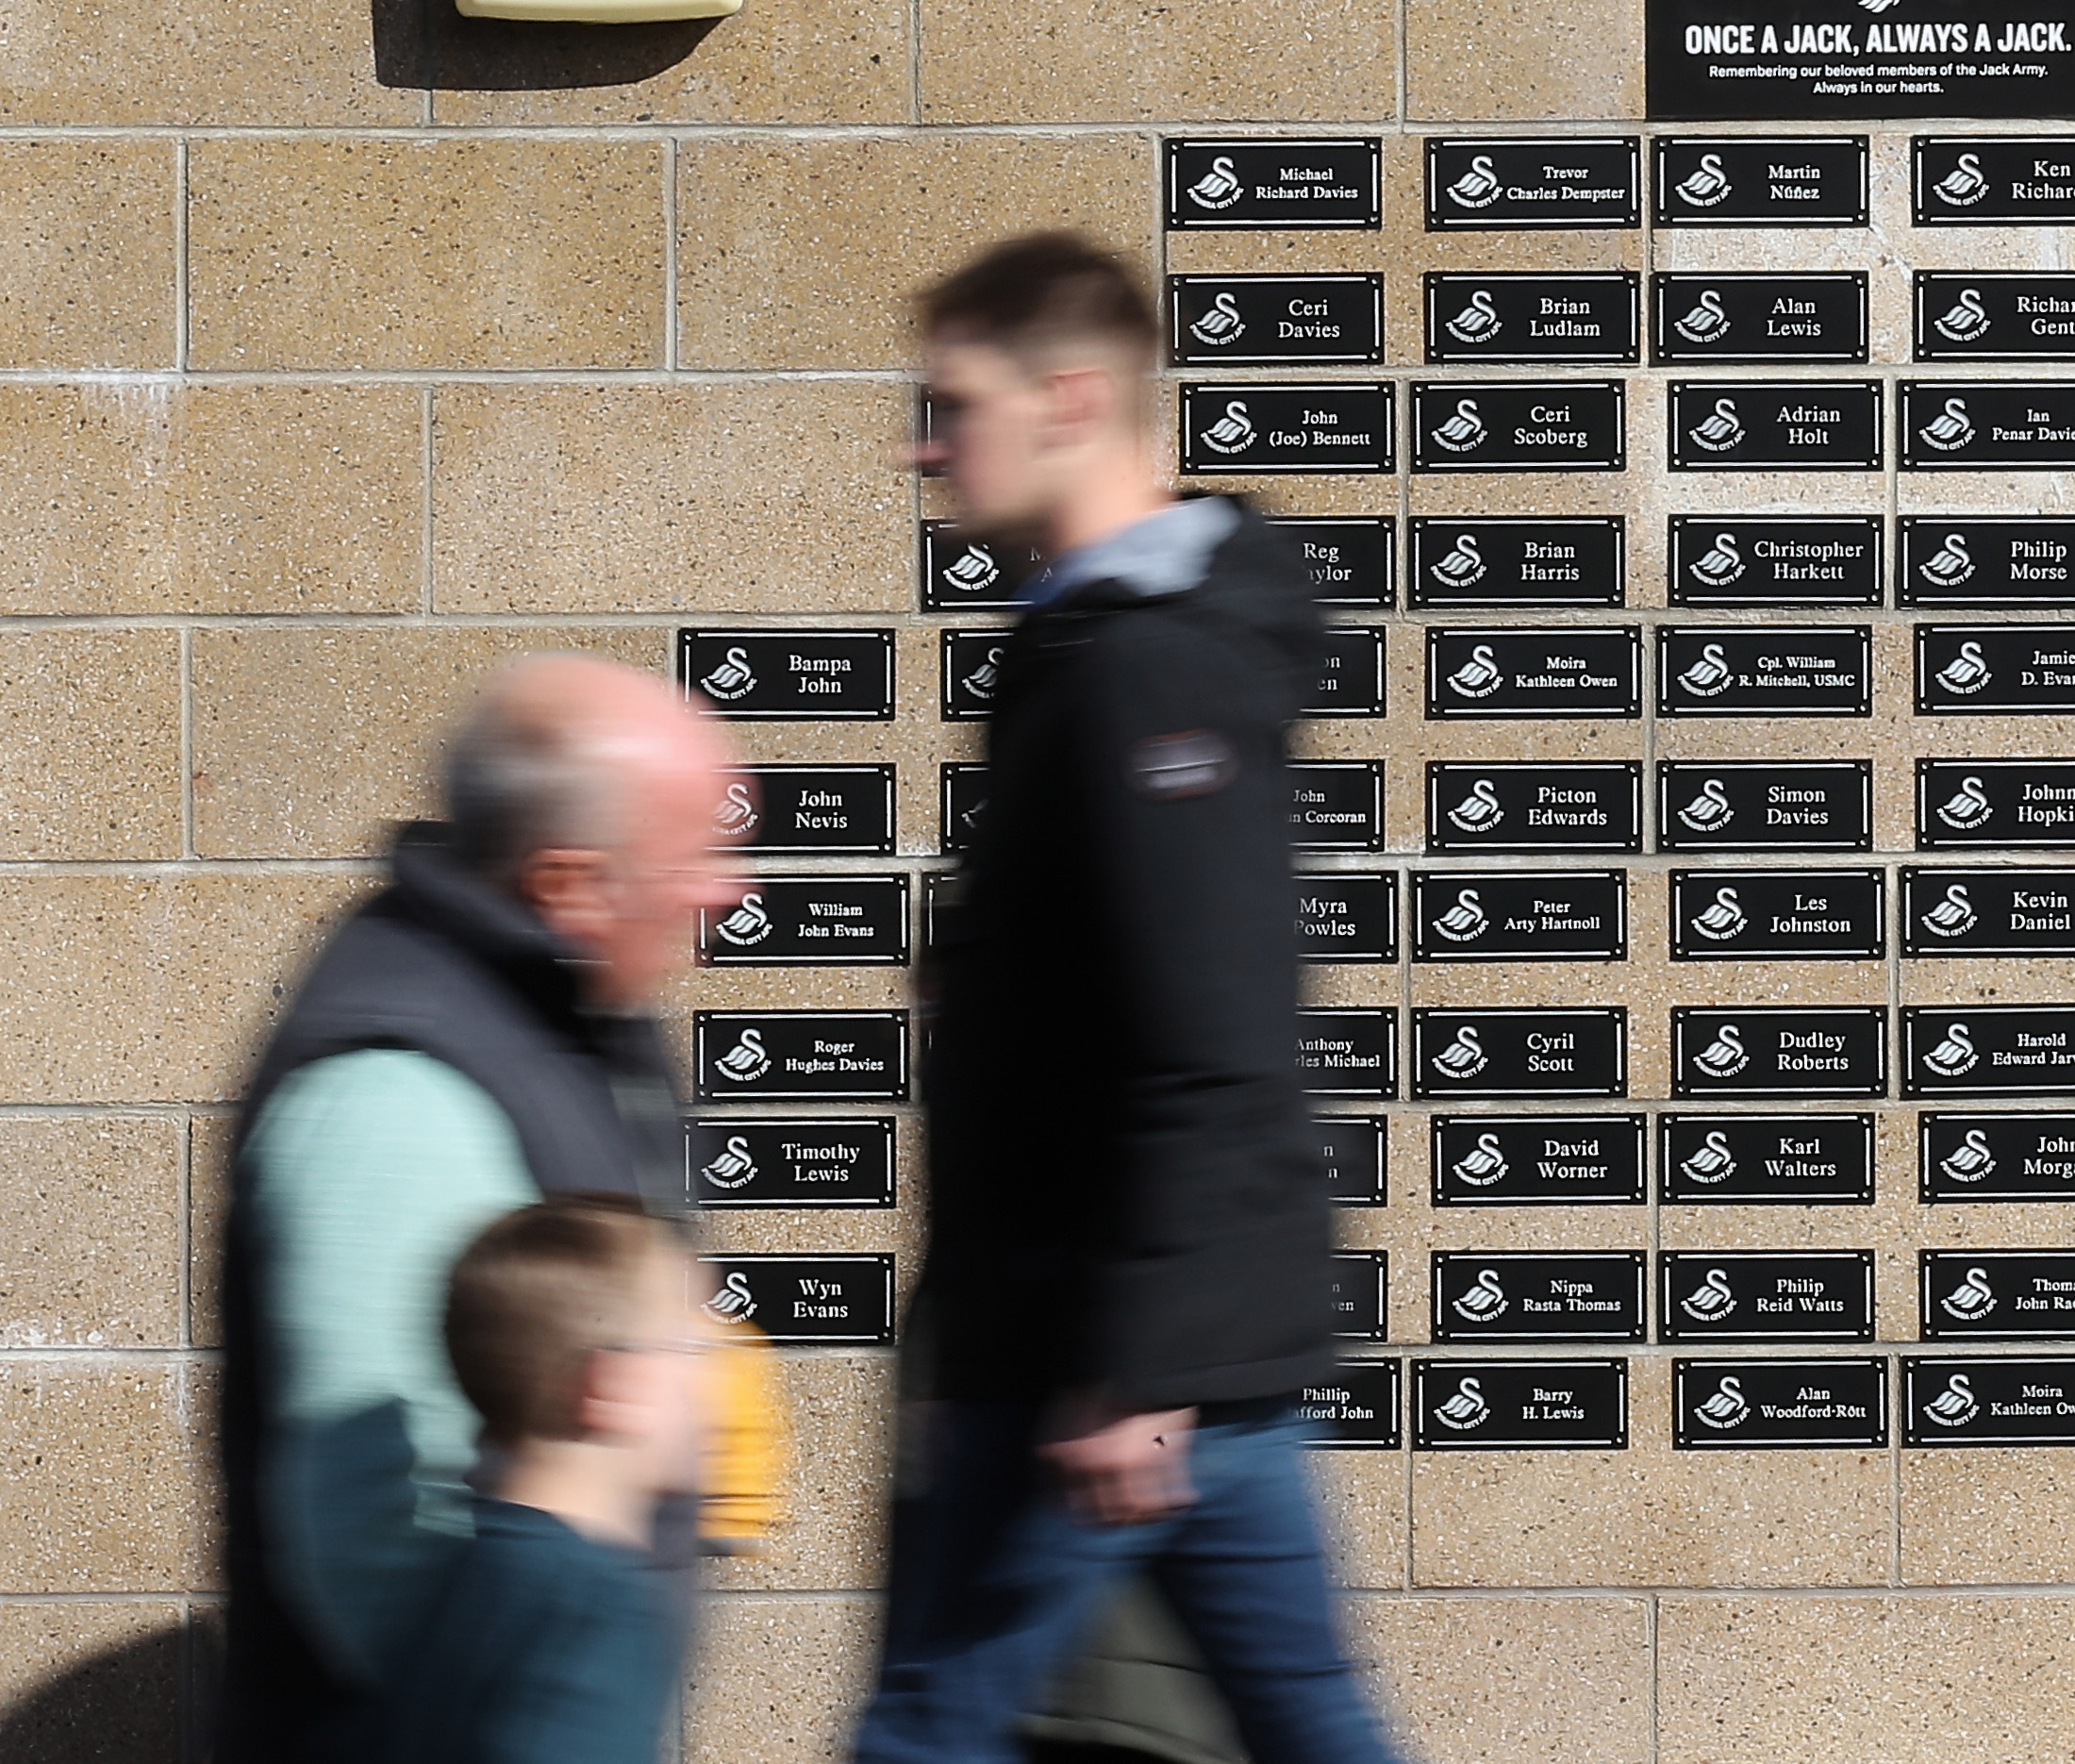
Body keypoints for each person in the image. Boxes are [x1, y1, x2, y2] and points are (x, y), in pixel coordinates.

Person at [857, 233, 1386, 1764]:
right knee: (1309, 1724)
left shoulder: (1147, 675)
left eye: (950, 403)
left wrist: (1135, 1370)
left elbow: (1207, 1036)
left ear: (1071, 397)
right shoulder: (1086, 649)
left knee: (926, 1730)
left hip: (1114, 1356)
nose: (923, 441)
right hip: (1117, 1346)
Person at [220, 657, 746, 1762]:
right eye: (691, 853)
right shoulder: (398, 1091)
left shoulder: (567, 1007)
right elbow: (377, 1518)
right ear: (566, 881)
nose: (725, 889)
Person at [377, 1196, 706, 1764]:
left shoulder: (458, 1568)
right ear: (613, 1386)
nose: (713, 1371)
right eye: (687, 1345)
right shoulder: (595, 1606)